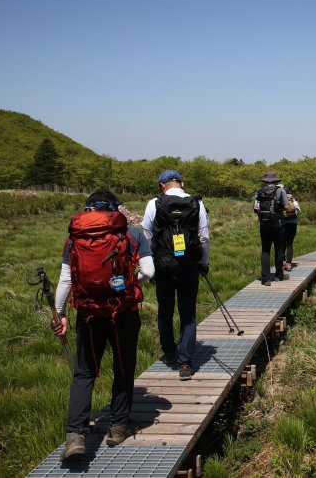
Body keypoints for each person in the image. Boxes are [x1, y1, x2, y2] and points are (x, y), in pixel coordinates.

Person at [53, 191, 154, 460]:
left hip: (87, 313)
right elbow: (149, 271)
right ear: (115, 208)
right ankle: (118, 427)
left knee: (84, 372)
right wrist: (133, 284)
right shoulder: (132, 233)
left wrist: (60, 313)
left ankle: (75, 435)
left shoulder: (76, 237)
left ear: (88, 209)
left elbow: (65, 280)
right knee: (123, 367)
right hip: (123, 311)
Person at [142, 170, 209, 382]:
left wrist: (151, 263)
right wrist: (204, 263)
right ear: (181, 183)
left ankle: (169, 350)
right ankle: (185, 363)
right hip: (189, 265)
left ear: (161, 185)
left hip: (162, 265)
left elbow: (146, 234)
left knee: (165, 309)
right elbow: (204, 236)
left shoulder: (154, 204)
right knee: (188, 313)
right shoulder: (196, 203)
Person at [254, 171, 290, 285]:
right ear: (275, 181)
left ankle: (265, 278)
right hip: (277, 225)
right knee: (279, 249)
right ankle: (279, 274)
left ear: (266, 181)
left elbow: (255, 208)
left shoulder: (259, 192)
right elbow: (286, 207)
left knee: (265, 250)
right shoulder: (280, 190)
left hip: (264, 226)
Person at [280, 185, 301, 271]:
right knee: (289, 244)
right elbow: (299, 211)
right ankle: (289, 264)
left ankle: (283, 261)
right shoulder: (294, 201)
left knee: (282, 243)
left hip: (283, 224)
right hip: (293, 224)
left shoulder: (281, 200)